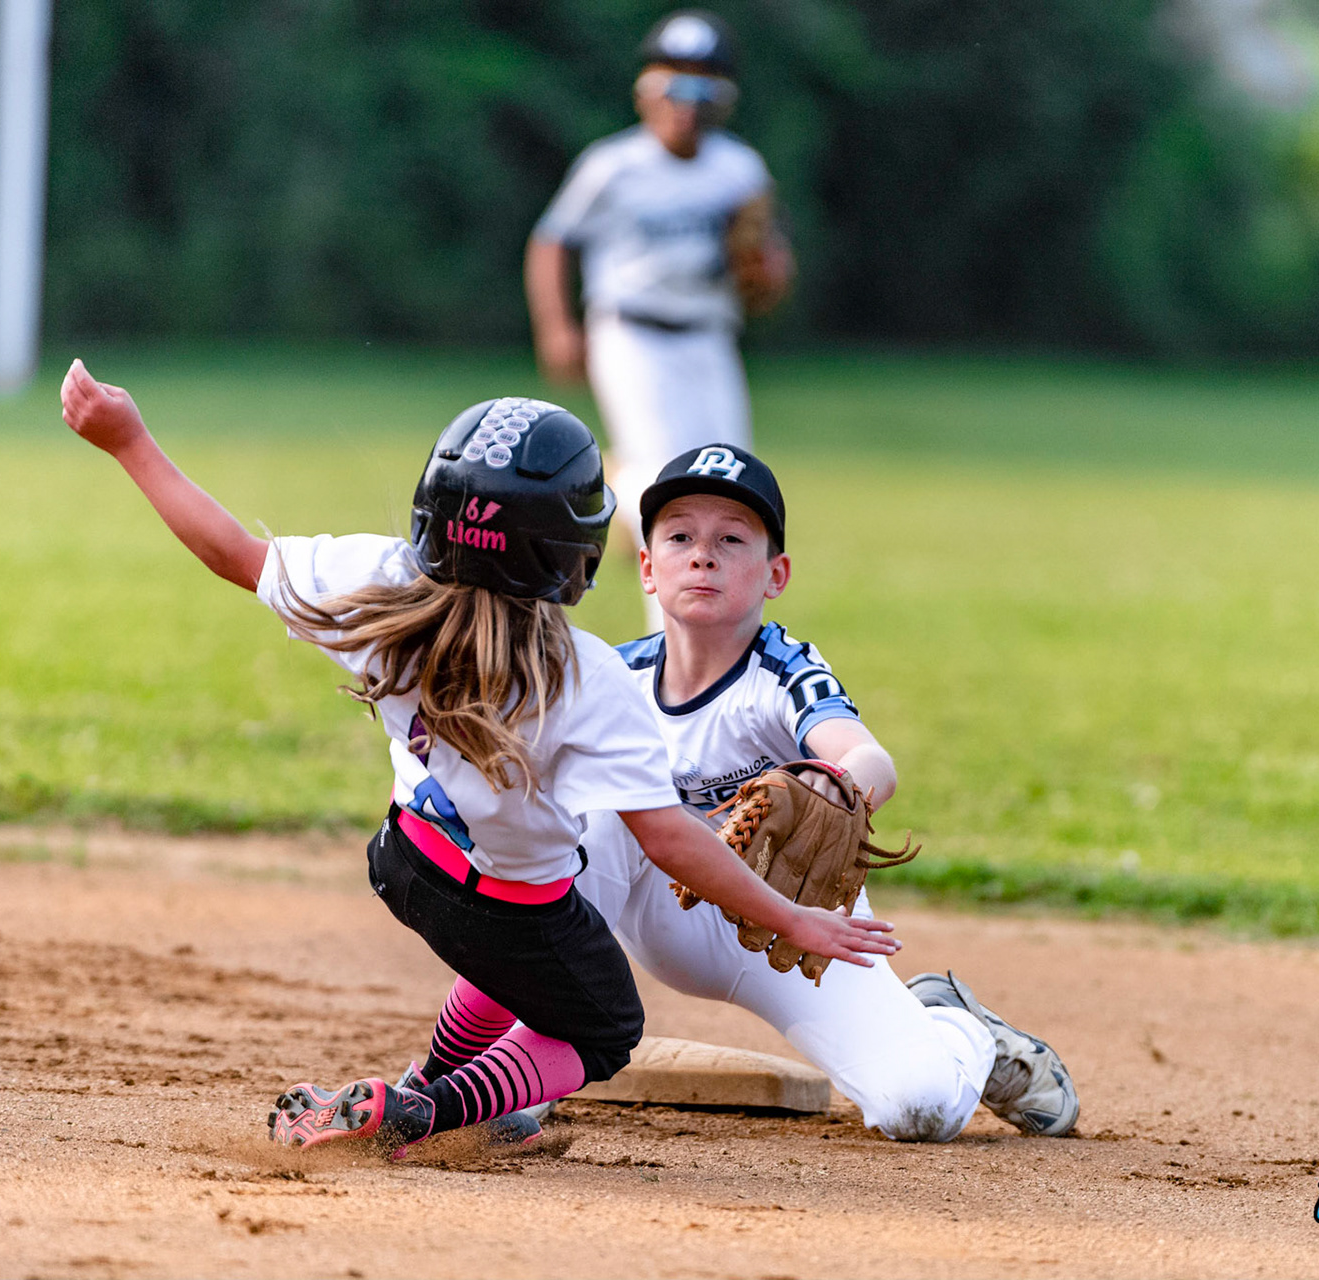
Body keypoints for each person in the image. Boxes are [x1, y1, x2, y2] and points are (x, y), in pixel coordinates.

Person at [56, 362, 896, 1157]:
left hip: (404, 865)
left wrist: (128, 440)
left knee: (529, 957)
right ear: (577, 548)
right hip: (513, 910)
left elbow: (232, 551)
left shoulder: (379, 584)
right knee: (602, 1026)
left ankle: (426, 1076)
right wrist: (793, 919)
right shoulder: (587, 677)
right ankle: (429, 1111)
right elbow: (669, 841)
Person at [572, 444, 1081, 1142]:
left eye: (731, 539)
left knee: (919, 1108)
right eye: (680, 536)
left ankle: (957, 1032)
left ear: (775, 574)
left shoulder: (781, 671)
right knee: (594, 808)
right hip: (658, 913)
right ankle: (523, 1059)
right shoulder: (612, 678)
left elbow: (870, 758)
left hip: (792, 927)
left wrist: (833, 781)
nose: (702, 555)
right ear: (648, 568)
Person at [525, 9, 792, 630]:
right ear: (644, 91)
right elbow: (551, 240)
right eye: (670, 84)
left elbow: (770, 275)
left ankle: (610, 497)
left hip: (708, 336)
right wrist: (556, 325)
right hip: (630, 333)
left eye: (704, 87)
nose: (685, 103)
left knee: (731, 482)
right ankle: (668, 638)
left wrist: (768, 272)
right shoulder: (613, 165)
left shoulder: (740, 170)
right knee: (661, 483)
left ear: (727, 99)